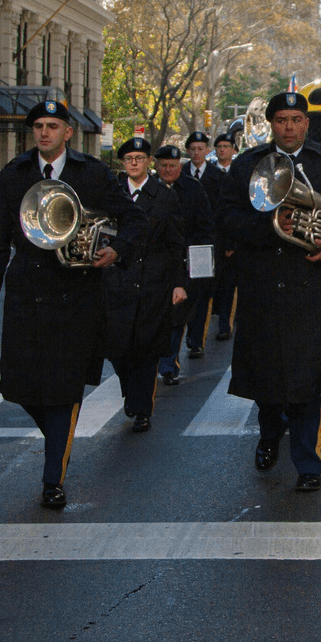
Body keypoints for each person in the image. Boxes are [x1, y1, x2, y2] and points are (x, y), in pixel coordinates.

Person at [0, 100, 146, 508]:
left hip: (77, 294)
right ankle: (55, 444)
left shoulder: (92, 172)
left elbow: (136, 219)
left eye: (53, 126)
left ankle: (53, 477)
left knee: (64, 389)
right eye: (38, 126)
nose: (45, 133)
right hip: (26, 293)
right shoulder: (15, 174)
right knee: (21, 388)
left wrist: (116, 250)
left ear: (68, 132)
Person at [215, 91, 321, 493]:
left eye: (296, 119)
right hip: (263, 289)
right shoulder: (247, 164)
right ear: (272, 124)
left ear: (307, 123)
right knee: (267, 380)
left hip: (315, 289)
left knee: (310, 383)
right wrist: (271, 226)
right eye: (282, 120)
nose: (289, 127)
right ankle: (269, 434)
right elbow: (224, 218)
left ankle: (308, 462)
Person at [102, 137, 190, 433]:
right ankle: (131, 391)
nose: (135, 163)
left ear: (148, 162)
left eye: (140, 157)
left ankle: (142, 408)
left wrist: (179, 283)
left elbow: (176, 243)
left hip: (153, 281)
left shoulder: (164, 196)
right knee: (117, 347)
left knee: (146, 347)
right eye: (129, 159)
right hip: (117, 279)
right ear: (123, 164)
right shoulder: (111, 194)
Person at [153, 143, 214, 385]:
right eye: (163, 165)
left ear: (180, 166)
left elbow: (206, 227)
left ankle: (169, 364)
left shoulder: (193, 189)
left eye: (172, 166)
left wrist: (204, 265)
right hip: (156, 263)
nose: (168, 170)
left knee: (178, 314)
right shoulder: (150, 189)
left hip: (186, 263)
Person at [180, 131, 222, 358]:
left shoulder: (217, 176)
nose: (197, 153)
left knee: (201, 294)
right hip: (181, 244)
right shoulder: (180, 174)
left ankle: (196, 340)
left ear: (207, 151)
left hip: (204, 245)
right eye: (193, 149)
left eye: (201, 148)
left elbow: (223, 212)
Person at [210, 133, 240, 340]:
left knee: (230, 284)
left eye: (226, 146)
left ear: (233, 150)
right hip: (210, 238)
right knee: (211, 283)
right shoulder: (209, 173)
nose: (222, 150)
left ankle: (225, 324)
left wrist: (233, 241)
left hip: (231, 239)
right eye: (219, 146)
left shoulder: (240, 172)